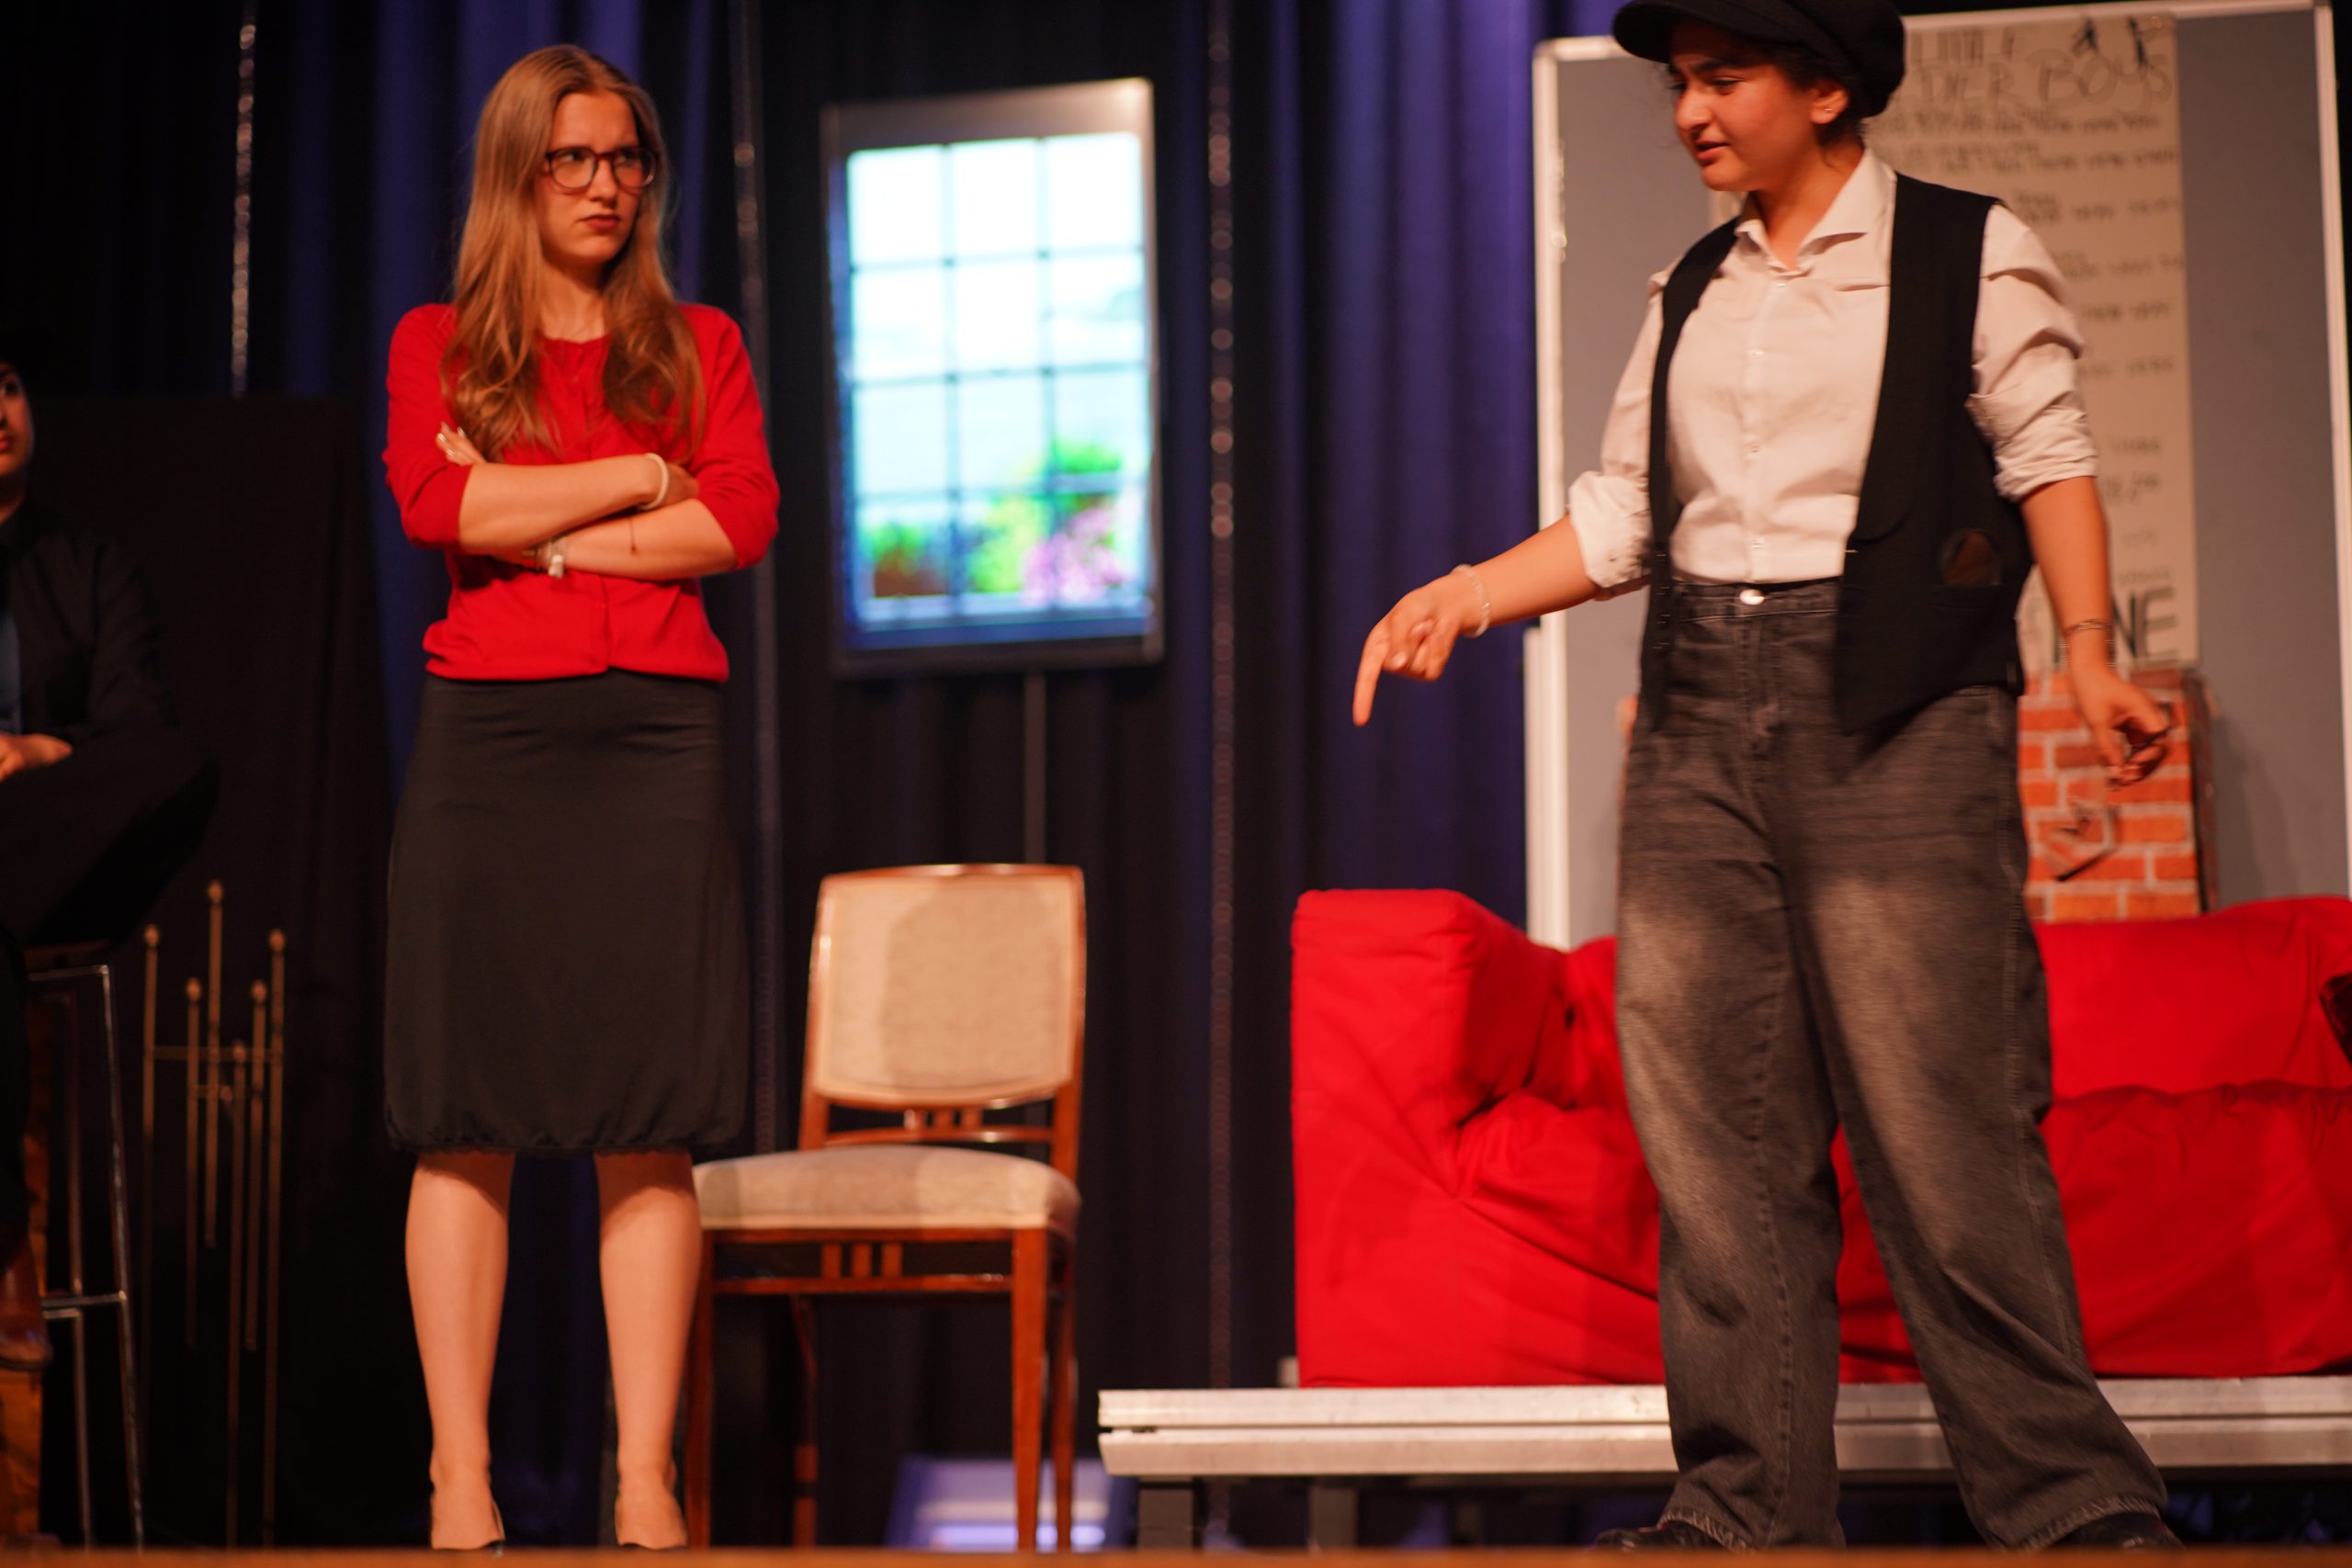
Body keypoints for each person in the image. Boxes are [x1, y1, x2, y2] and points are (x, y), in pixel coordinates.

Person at [1352, 0, 2181, 1550]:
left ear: (1825, 87)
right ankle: (1745, 1506)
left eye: (1723, 78)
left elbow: (2047, 454)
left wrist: (2085, 649)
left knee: (1945, 1123)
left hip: (1897, 702)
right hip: (1697, 708)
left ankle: (2072, 1504)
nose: (1691, 111)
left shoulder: (1967, 249)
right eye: (1681, 82)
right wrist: (1466, 592)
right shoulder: (1694, 286)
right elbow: (1626, 513)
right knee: (1717, 1137)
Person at [380, 45, 777, 1551]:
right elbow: (439, 504)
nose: (607, 185)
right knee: (463, 1107)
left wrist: (538, 526)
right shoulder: (440, 342)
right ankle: (460, 1472)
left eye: (626, 159)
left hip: (656, 737)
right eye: (575, 159)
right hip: (490, 737)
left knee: (651, 1112)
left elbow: (740, 521)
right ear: (519, 174)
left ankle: (645, 1475)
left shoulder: (699, 343)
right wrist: (641, 481)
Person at [0, 332, 218, 1374]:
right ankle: (7, 1247)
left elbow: (142, 734)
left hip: (49, 848)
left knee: (179, 761)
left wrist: (41, 751)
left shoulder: (91, 567)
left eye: (6, 387)